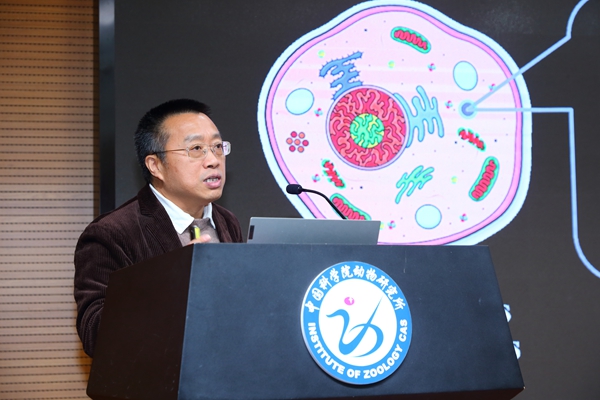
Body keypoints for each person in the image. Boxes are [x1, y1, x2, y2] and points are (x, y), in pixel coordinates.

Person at [74, 99, 243, 357]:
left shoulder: (227, 221)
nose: (213, 160)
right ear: (155, 165)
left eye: (218, 147)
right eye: (196, 149)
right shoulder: (111, 233)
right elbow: (95, 335)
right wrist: (172, 280)